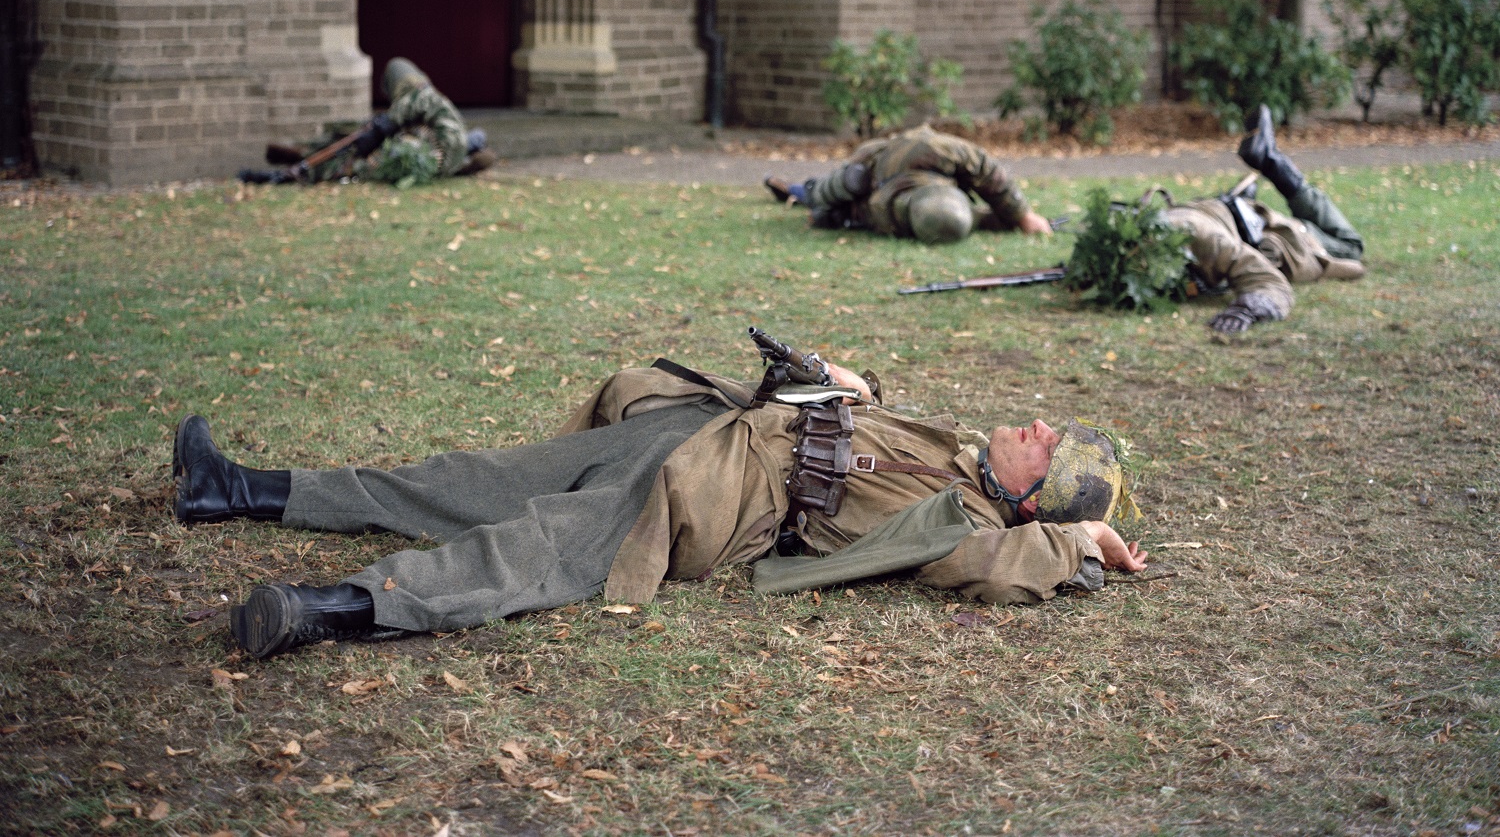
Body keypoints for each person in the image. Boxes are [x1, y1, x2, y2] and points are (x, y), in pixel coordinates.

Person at [171, 348, 1147, 660]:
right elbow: (866, 427)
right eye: (1048, 428)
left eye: (1050, 448)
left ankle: (327, 609)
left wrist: (1079, 542)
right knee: (469, 480)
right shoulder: (957, 448)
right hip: (699, 429)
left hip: (709, 493)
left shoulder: (975, 523)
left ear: (1034, 496)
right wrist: (841, 381)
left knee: (534, 549)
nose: (1035, 427)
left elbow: (990, 567)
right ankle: (237, 491)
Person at [1168, 105, 1366, 336]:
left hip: (1266, 235)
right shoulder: (1147, 237)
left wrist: (1250, 306)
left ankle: (1273, 162)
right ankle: (1243, 196)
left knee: (1351, 247)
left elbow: (1268, 280)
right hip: (1217, 216)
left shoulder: (1200, 237)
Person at [765, 123, 1053, 244]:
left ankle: (813, 200)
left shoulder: (889, 210)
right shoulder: (937, 150)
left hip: (877, 199)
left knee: (835, 206)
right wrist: (1022, 215)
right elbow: (986, 169)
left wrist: (1016, 220)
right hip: (875, 159)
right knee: (840, 185)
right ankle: (799, 190)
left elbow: (972, 214)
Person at [246, 57, 493, 184]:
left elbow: (415, 104)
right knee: (349, 144)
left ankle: (301, 170)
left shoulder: (426, 100)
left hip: (420, 152)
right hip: (430, 153)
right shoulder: (437, 121)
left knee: (358, 165)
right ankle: (302, 157)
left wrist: (382, 127)